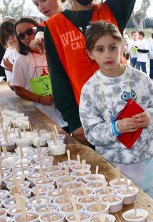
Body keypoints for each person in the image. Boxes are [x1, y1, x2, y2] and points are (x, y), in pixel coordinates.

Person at [79, 21, 153, 212]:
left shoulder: (140, 78)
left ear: (122, 46)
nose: (108, 54)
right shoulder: (90, 89)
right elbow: (91, 132)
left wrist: (149, 116)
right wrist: (116, 128)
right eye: (100, 49)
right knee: (124, 214)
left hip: (149, 161)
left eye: (113, 47)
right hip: (115, 165)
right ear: (90, 54)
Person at [44, 0, 136, 144]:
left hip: (127, 112)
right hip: (90, 120)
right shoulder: (54, 26)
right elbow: (58, 79)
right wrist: (74, 123)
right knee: (101, 166)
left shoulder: (112, 10)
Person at [10, 17, 67, 128]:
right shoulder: (21, 59)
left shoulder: (56, 50)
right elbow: (18, 88)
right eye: (21, 36)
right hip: (44, 115)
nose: (26, 37)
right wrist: (40, 99)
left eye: (30, 31)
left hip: (66, 111)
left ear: (38, 29)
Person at [0, 19, 18, 85]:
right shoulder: (8, 54)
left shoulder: (30, 48)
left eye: (13, 33)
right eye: (6, 37)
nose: (11, 38)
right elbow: (10, 83)